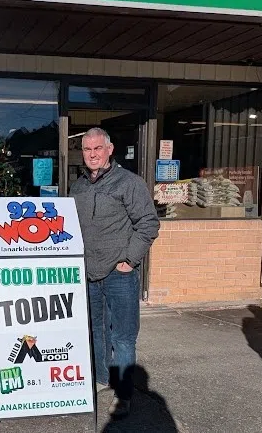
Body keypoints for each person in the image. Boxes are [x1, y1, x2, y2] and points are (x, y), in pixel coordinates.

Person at [70, 127, 159, 419]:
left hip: (119, 274)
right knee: (95, 332)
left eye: (98, 148)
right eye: (87, 149)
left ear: (109, 150)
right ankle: (100, 379)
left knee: (122, 337)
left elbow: (148, 223)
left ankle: (123, 394)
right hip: (88, 274)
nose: (92, 154)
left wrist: (130, 260)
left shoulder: (129, 183)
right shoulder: (78, 186)